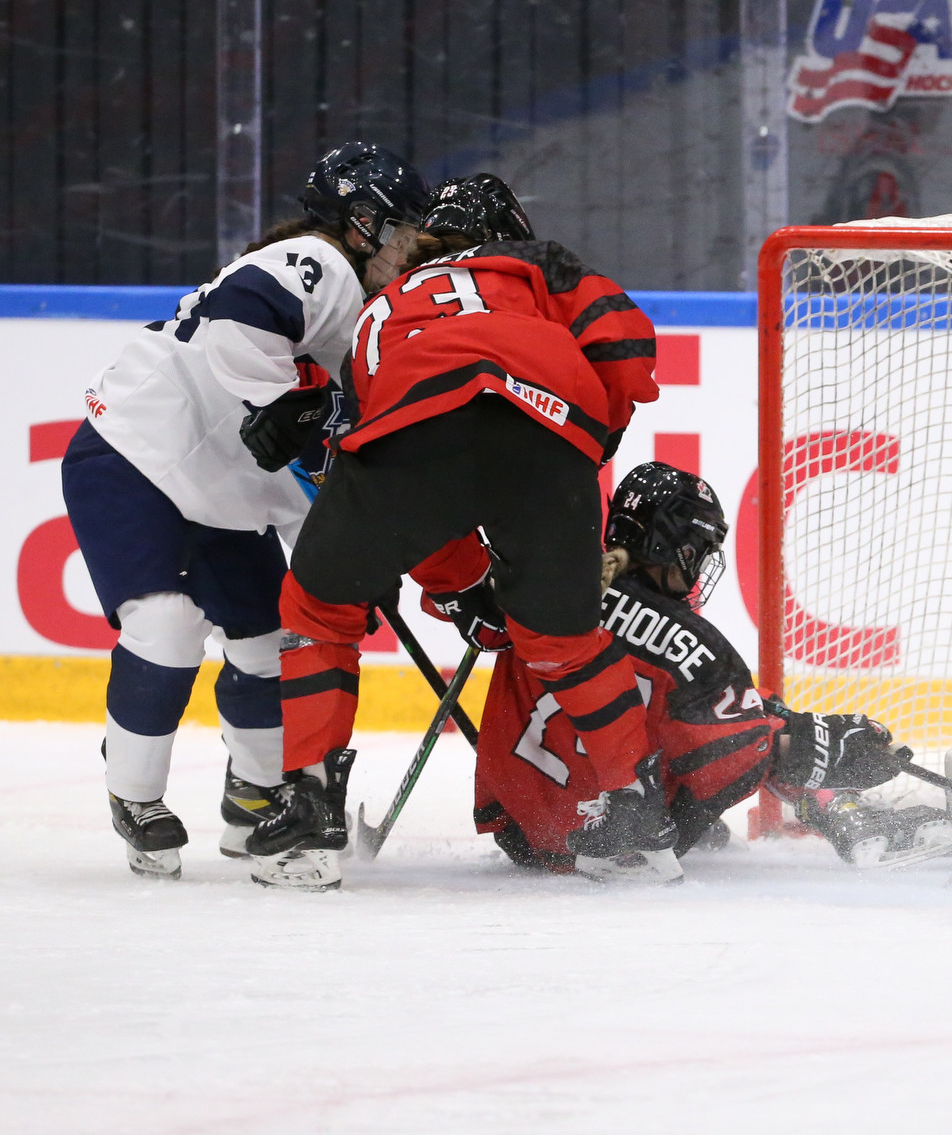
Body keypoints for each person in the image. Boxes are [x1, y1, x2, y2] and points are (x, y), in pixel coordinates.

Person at [246, 174, 667, 889]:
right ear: (509, 228)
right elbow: (625, 341)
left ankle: (310, 815)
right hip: (550, 437)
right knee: (564, 641)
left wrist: (463, 582)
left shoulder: (381, 309)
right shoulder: (536, 261)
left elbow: (389, 457)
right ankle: (637, 825)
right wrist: (594, 439)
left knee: (318, 610)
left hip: (419, 424)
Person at [61, 143, 428, 879]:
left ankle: (257, 800)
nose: (411, 245)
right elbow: (239, 314)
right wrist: (282, 401)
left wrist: (354, 549)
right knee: (165, 625)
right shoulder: (319, 264)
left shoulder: (362, 324)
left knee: (273, 643)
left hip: (229, 497)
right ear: (361, 223)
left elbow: (316, 461)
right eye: (403, 228)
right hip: (138, 453)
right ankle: (135, 796)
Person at [473, 462, 952, 878]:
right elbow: (737, 750)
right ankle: (839, 809)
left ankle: (823, 793)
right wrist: (816, 741)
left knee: (736, 711)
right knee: (760, 725)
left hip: (521, 831)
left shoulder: (546, 590)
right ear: (673, 547)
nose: (700, 567)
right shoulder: (689, 641)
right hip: (615, 839)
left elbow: (474, 619)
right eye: (697, 552)